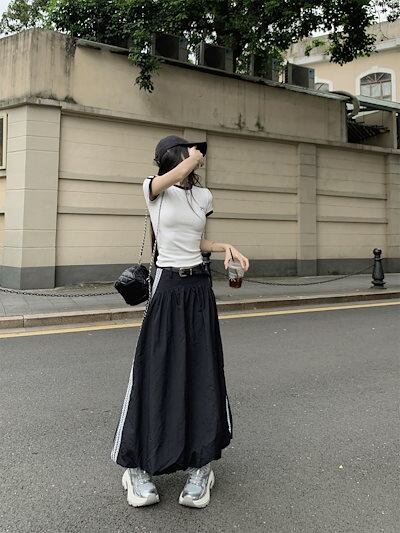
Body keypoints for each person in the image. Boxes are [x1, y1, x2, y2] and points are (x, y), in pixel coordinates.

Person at [111, 135, 250, 509]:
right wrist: (193, 157)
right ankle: (135, 467)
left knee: (202, 372)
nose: (194, 158)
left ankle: (201, 467)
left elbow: (195, 241)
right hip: (167, 286)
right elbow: (175, 176)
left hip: (199, 288)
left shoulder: (203, 197)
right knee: (154, 371)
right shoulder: (154, 189)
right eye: (186, 154)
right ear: (172, 159)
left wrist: (224, 247)